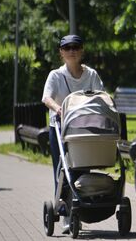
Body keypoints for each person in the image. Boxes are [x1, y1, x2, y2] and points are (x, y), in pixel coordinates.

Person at [42, 35, 104, 231]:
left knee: (83, 169)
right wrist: (59, 109)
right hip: (60, 129)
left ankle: (79, 208)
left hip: (85, 128)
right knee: (63, 170)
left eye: (75, 47)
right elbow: (46, 98)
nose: (71, 51)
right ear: (61, 52)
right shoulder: (56, 75)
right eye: (67, 48)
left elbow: (101, 96)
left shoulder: (91, 75)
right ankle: (67, 213)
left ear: (81, 50)